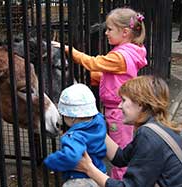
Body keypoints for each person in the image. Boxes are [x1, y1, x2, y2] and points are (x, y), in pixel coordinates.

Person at [52, 7, 148, 179]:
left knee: (120, 151)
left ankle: (121, 181)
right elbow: (115, 75)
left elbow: (93, 63)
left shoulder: (120, 56)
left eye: (110, 29)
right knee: (120, 145)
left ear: (125, 32)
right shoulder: (133, 50)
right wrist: (98, 79)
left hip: (118, 111)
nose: (106, 33)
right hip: (119, 107)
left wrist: (68, 50)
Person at [75, 75, 182, 187]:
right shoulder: (158, 128)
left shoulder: (148, 136)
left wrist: (89, 169)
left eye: (124, 100)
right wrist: (96, 128)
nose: (119, 106)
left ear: (140, 104)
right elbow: (121, 158)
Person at [44, 83, 107, 187]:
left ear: (72, 117)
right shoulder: (99, 121)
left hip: (80, 180)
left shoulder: (74, 137)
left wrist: (51, 160)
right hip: (100, 174)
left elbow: (72, 156)